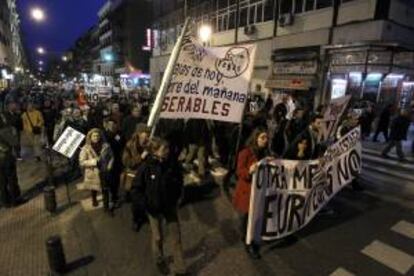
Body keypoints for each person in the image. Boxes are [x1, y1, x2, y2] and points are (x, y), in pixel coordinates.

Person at [132, 137, 186, 275]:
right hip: (153, 209)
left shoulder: (171, 164)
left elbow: (179, 179)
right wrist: (147, 204)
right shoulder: (145, 167)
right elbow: (136, 189)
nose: (168, 151)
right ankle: (159, 259)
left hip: (169, 207)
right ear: (155, 151)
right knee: (158, 238)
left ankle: (180, 269)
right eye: (165, 149)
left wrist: (178, 195)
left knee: (176, 238)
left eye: (167, 148)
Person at [233, 127, 269, 259]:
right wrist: (249, 170)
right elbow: (239, 172)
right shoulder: (245, 152)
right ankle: (248, 243)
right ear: (255, 138)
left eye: (266, 138)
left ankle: (252, 238)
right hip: (247, 192)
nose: (265, 141)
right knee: (248, 218)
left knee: (256, 216)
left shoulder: (265, 153)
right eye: (262, 138)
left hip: (259, 191)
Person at [122, 124, 150, 230]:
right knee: (136, 202)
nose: (147, 135)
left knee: (147, 198)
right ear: (138, 133)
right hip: (135, 178)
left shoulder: (150, 144)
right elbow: (127, 162)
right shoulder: (130, 145)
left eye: (148, 133)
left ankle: (145, 216)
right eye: (145, 133)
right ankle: (136, 219)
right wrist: (141, 157)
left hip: (147, 177)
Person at [79, 128, 114, 211]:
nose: (96, 137)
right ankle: (94, 199)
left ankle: (106, 207)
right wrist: (94, 161)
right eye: (94, 136)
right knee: (94, 188)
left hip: (104, 170)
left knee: (105, 188)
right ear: (90, 137)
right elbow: (82, 162)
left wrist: (110, 164)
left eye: (97, 136)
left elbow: (112, 156)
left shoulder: (106, 145)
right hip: (93, 172)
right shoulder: (86, 148)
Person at [0, 116, 21, 207]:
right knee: (11, 179)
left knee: (2, 182)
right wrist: (14, 132)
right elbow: (14, 142)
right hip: (6, 158)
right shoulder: (4, 130)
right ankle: (14, 200)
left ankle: (5, 201)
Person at [103, 119, 124, 210]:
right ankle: (110, 198)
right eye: (110, 124)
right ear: (107, 125)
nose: (112, 126)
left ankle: (114, 196)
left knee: (116, 180)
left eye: (113, 124)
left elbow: (122, 143)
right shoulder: (104, 135)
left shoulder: (118, 133)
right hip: (108, 162)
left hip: (118, 161)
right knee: (109, 181)